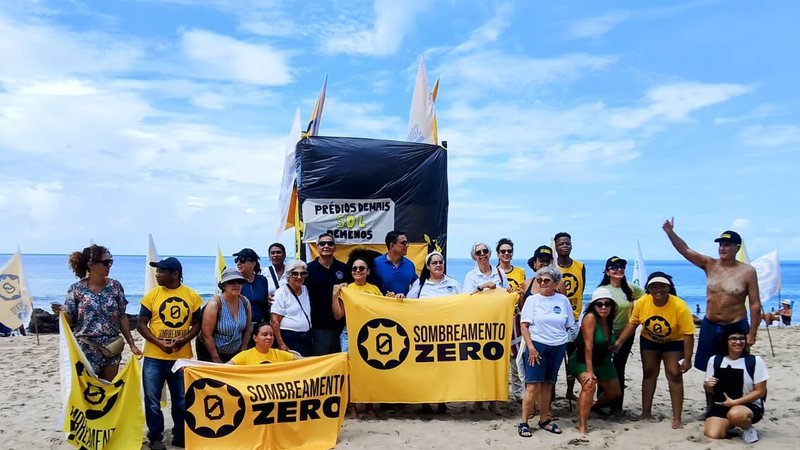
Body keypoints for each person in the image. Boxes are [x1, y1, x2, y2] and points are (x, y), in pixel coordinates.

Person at [663, 220, 761, 372]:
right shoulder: (710, 264)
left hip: (735, 325)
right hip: (710, 324)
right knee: (709, 368)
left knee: (736, 368)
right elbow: (685, 250)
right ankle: (712, 395)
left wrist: (752, 334)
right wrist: (670, 232)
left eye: (727, 245)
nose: (722, 248)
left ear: (737, 247)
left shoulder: (748, 272)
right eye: (720, 244)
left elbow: (755, 304)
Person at [612, 272, 695, 429]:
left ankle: (677, 418)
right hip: (649, 341)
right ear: (648, 288)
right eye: (653, 286)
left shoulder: (679, 305)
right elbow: (633, 323)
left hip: (673, 342)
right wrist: (619, 341)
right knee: (649, 373)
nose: (658, 289)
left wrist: (688, 358)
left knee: (674, 374)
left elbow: (688, 334)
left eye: (662, 286)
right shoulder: (643, 301)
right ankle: (646, 412)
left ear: (668, 287)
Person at [138, 257, 203, 450]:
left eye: (161, 271)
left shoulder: (191, 296)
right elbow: (141, 324)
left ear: (175, 274)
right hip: (154, 357)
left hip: (181, 358)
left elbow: (197, 323)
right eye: (157, 272)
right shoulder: (152, 296)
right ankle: (156, 437)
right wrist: (158, 343)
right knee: (152, 400)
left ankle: (180, 435)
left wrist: (183, 339)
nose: (157, 275)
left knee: (182, 400)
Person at [64, 245, 141, 381]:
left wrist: (132, 344)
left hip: (112, 347)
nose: (109, 265)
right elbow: (69, 321)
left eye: (110, 261)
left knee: (108, 390)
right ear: (91, 264)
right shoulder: (76, 290)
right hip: (86, 348)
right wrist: (61, 312)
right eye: (105, 262)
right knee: (88, 392)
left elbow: (122, 317)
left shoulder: (115, 287)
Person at [518, 266, 574, 436]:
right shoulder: (533, 300)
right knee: (533, 385)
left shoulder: (562, 300)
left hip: (557, 346)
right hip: (537, 345)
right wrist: (531, 347)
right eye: (539, 280)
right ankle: (523, 422)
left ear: (556, 283)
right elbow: (524, 325)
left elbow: (570, 324)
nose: (542, 283)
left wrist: (568, 339)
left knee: (548, 384)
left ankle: (544, 419)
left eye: (546, 280)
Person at [407, 251, 461, 414]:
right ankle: (425, 401)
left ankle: (442, 402)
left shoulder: (453, 283)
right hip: (425, 336)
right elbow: (408, 304)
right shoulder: (420, 284)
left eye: (441, 262)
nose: (438, 265)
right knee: (425, 369)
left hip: (447, 335)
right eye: (434, 263)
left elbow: (465, 303)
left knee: (444, 369)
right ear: (428, 266)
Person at [331, 250, 384, 418]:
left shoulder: (374, 289)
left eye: (362, 269)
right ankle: (351, 406)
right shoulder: (347, 289)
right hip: (349, 333)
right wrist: (334, 296)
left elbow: (383, 312)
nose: (358, 272)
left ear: (368, 271)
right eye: (355, 269)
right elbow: (338, 315)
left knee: (369, 370)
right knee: (349, 372)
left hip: (370, 334)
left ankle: (368, 405)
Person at [513, 245, 564, 404]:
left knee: (549, 376)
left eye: (547, 261)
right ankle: (532, 407)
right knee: (531, 374)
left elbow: (562, 307)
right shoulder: (526, 284)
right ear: (534, 263)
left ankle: (546, 408)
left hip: (551, 335)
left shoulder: (559, 285)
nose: (543, 264)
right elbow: (521, 309)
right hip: (531, 335)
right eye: (540, 260)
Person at [567, 287, 621, 433]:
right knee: (590, 384)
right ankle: (582, 425)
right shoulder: (590, 318)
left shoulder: (609, 318)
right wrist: (590, 371)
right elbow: (588, 346)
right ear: (593, 305)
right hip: (582, 360)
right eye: (599, 304)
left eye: (607, 304)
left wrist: (614, 344)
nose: (603, 307)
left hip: (602, 360)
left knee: (615, 393)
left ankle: (591, 406)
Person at [703, 329, 768, 443]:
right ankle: (730, 423)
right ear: (726, 341)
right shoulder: (715, 360)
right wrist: (708, 385)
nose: (738, 342)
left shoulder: (755, 361)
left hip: (748, 404)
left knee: (735, 414)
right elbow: (709, 388)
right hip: (723, 403)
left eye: (741, 338)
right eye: (733, 338)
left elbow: (760, 392)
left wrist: (735, 402)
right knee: (713, 434)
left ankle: (747, 427)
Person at [599, 255, 645, 413]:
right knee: (604, 367)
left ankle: (617, 406)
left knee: (619, 368)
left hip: (626, 334)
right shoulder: (603, 290)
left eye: (621, 267)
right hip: (606, 334)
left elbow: (646, 302)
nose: (619, 270)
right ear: (607, 271)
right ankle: (601, 402)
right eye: (614, 267)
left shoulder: (632, 289)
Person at [553, 232, 586, 401]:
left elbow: (582, 290)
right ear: (556, 246)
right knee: (555, 358)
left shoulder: (580, 266)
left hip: (575, 318)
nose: (565, 245)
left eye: (567, 243)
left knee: (573, 357)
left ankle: (569, 390)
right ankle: (551, 393)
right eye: (561, 243)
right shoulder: (552, 268)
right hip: (557, 319)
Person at [306, 233, 350, 355]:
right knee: (321, 362)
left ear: (335, 247)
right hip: (318, 325)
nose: (326, 246)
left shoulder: (343, 268)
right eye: (322, 244)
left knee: (341, 360)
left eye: (330, 243)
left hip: (341, 325)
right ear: (317, 247)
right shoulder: (308, 270)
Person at [198, 267, 252, 363]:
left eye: (239, 282)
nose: (236, 285)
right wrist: (216, 358)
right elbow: (206, 334)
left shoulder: (245, 302)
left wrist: (243, 351)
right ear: (223, 286)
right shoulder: (215, 304)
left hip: (235, 354)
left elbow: (247, 330)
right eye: (231, 282)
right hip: (212, 354)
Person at [271, 260, 313, 356]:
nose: (299, 277)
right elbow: (275, 321)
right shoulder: (281, 293)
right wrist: (281, 344)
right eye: (295, 274)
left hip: (306, 337)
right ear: (288, 275)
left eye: (302, 274)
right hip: (289, 338)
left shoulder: (306, 290)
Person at [373, 230, 418, 297]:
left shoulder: (410, 265)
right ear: (392, 245)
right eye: (403, 243)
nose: (407, 245)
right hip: (380, 305)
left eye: (407, 242)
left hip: (403, 306)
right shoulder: (375, 263)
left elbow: (417, 284)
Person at [229, 322, 299, 365]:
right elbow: (225, 368)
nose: (269, 337)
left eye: (271, 335)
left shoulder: (279, 354)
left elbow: (303, 361)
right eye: (265, 335)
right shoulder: (245, 355)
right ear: (255, 338)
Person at [233, 248, 270, 325]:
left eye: (242, 260)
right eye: (237, 260)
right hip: (240, 326)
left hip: (259, 325)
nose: (239, 263)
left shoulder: (262, 280)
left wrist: (267, 324)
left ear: (253, 263)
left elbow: (265, 306)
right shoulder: (234, 281)